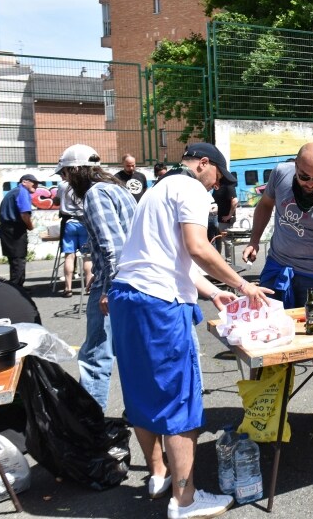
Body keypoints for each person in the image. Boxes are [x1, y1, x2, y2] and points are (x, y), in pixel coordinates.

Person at [108, 143, 270, 518]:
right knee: (180, 399)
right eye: (218, 178)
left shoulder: (157, 189)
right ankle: (185, 499)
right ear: (203, 165)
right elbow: (198, 248)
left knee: (140, 390)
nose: (217, 187)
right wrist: (243, 285)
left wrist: (215, 292)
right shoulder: (192, 189)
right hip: (159, 306)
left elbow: (173, 257)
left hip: (126, 296)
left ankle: (158, 474)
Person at [242, 143, 313, 431]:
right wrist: (254, 240)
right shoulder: (280, 175)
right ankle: (263, 405)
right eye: (305, 177)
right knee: (261, 335)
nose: (311, 184)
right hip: (278, 266)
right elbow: (265, 205)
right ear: (295, 166)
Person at [56, 144, 136, 411]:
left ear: (76, 170)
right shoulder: (117, 189)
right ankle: (136, 412)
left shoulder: (96, 193)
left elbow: (114, 245)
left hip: (116, 284)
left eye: (65, 173)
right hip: (129, 281)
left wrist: (108, 287)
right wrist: (101, 273)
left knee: (94, 357)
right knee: (128, 353)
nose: (64, 180)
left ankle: (91, 425)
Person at [0, 174, 39, 288]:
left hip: (7, 229)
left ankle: (16, 288)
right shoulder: (22, 191)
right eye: (34, 183)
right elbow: (24, 214)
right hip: (15, 230)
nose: (36, 186)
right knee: (18, 260)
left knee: (14, 260)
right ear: (24, 182)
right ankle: (17, 289)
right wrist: (30, 226)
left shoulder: (14, 191)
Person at [55, 181, 93, 297]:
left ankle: (68, 288)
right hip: (84, 222)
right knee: (87, 256)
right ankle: (89, 287)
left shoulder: (62, 185)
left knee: (69, 255)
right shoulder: (86, 184)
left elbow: (56, 201)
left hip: (69, 221)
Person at [212, 179, 238, 262]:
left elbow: (235, 201)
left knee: (227, 240)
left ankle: (229, 261)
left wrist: (229, 215)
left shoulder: (228, 186)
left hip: (225, 218)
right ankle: (218, 259)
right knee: (218, 239)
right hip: (218, 217)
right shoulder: (217, 187)